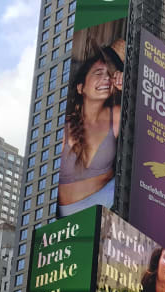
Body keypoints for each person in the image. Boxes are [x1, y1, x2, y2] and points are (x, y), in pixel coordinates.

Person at [59, 43, 123, 216]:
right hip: (70, 215)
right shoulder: (63, 127)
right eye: (98, 73)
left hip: (109, 203)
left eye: (109, 75)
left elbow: (149, 124)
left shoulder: (115, 115)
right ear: (81, 88)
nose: (107, 79)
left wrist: (127, 89)